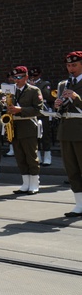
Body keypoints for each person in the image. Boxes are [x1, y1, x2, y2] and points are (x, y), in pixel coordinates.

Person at [6, 66, 43, 194]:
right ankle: (25, 183)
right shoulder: (10, 91)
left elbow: (38, 109)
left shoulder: (34, 90)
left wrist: (20, 110)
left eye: (19, 77)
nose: (16, 80)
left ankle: (34, 183)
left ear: (26, 77)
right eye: (15, 77)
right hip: (15, 127)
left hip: (28, 125)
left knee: (31, 156)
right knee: (20, 156)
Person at [55, 51, 82, 216]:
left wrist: (77, 98)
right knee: (71, 169)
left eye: (74, 65)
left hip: (80, 129)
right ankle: (79, 204)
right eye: (69, 65)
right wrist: (58, 104)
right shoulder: (63, 84)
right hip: (66, 130)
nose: (71, 68)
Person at [29, 67, 54, 166]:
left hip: (43, 111)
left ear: (39, 75)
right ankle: (38, 156)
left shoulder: (45, 84)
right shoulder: (28, 85)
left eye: (35, 76)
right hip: (33, 111)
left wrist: (34, 87)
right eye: (31, 76)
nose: (33, 78)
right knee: (35, 135)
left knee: (45, 135)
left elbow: (47, 95)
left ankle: (47, 157)